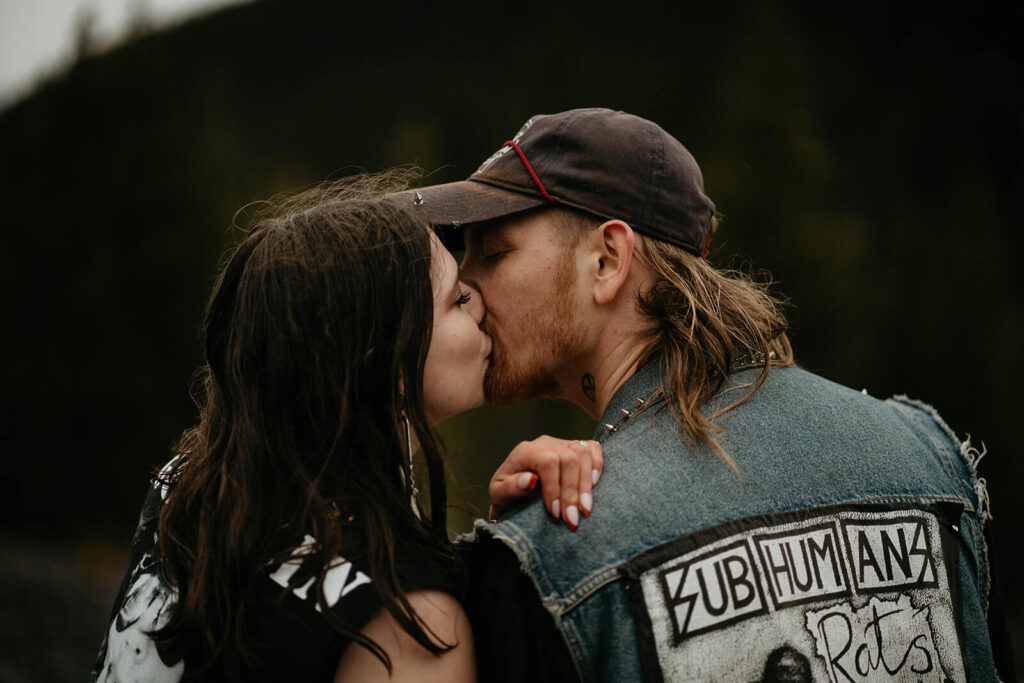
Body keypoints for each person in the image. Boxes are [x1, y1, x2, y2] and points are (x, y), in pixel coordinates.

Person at [393, 108, 1014, 682]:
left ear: (608, 260)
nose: (465, 286)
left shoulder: (564, 539)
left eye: (493, 252)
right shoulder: (927, 452)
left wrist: (522, 565)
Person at [91, 177, 604, 683]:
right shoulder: (411, 628)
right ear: (385, 370)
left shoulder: (190, 490)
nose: (481, 300)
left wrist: (496, 546)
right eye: (455, 300)